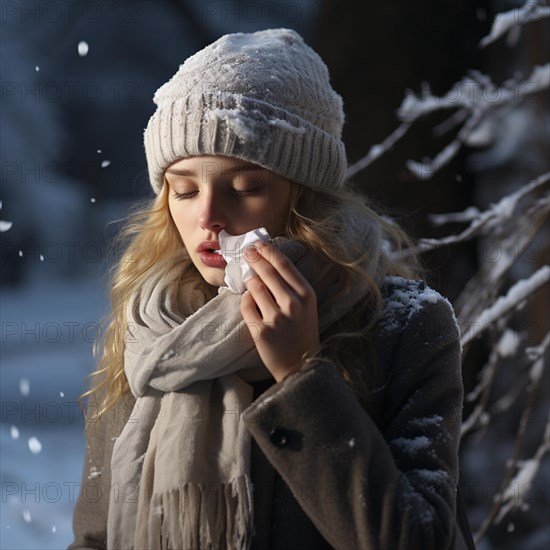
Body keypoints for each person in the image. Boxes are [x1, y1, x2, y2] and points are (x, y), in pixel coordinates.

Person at [69, 28, 475, 550]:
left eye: (245, 187)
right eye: (185, 189)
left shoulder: (402, 325)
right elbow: (94, 539)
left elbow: (414, 540)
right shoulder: (150, 332)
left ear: (305, 198)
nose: (208, 216)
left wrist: (301, 379)